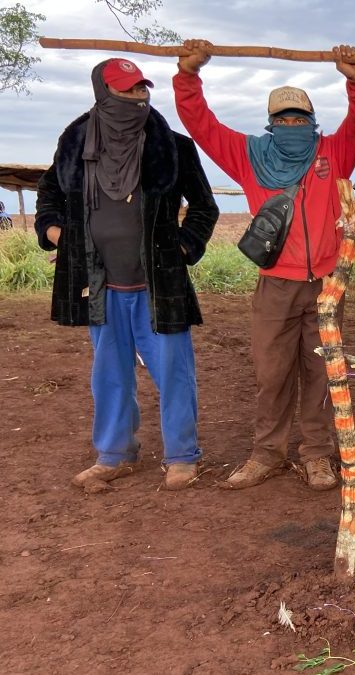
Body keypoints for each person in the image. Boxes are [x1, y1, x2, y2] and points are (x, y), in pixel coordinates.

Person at [173, 40, 355, 491]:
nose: (291, 126)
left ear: (311, 123)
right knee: (271, 374)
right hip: (274, 285)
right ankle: (267, 454)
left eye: (299, 119)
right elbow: (201, 124)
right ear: (270, 125)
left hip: (326, 285)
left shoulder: (333, 152)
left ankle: (318, 456)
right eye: (283, 120)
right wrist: (188, 76)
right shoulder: (248, 155)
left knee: (321, 372)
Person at [35, 58, 219, 492]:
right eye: (127, 89)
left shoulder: (172, 147)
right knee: (109, 373)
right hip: (99, 284)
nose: (138, 96)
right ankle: (114, 455)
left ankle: (182, 455)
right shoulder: (74, 143)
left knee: (174, 371)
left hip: (158, 284)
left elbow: (205, 208)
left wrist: (183, 245)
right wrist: (56, 232)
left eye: (141, 88)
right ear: (103, 92)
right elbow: (50, 192)